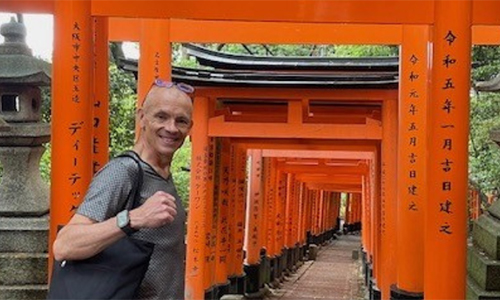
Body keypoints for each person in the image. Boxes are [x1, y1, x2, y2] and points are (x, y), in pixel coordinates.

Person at [52, 79, 194, 300]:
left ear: (189, 129)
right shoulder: (124, 171)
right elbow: (64, 245)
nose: (171, 128)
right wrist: (134, 218)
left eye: (181, 121)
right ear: (141, 118)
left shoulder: (162, 174)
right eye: (161, 116)